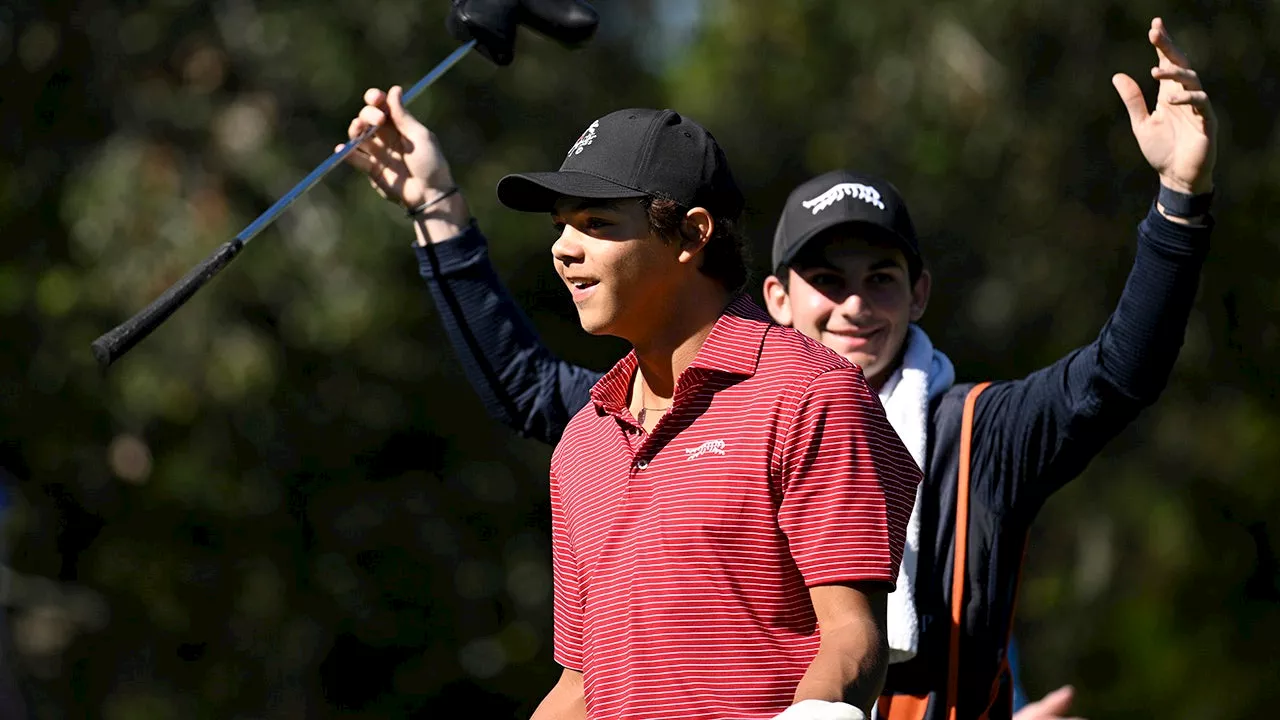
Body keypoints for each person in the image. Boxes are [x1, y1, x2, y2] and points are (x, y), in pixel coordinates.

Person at [342, 15, 1216, 719]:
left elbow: (1117, 376)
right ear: (775, 295)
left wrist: (1179, 202)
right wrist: (434, 209)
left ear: (920, 294)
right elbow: (531, 394)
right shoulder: (618, 422)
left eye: (880, 281)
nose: (853, 306)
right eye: (825, 281)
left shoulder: (972, 430)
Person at [346, 104, 924, 718]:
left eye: (596, 223)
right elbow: (578, 687)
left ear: (692, 234)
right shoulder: (584, 440)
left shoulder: (811, 391)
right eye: (560, 225)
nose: (563, 250)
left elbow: (851, 636)